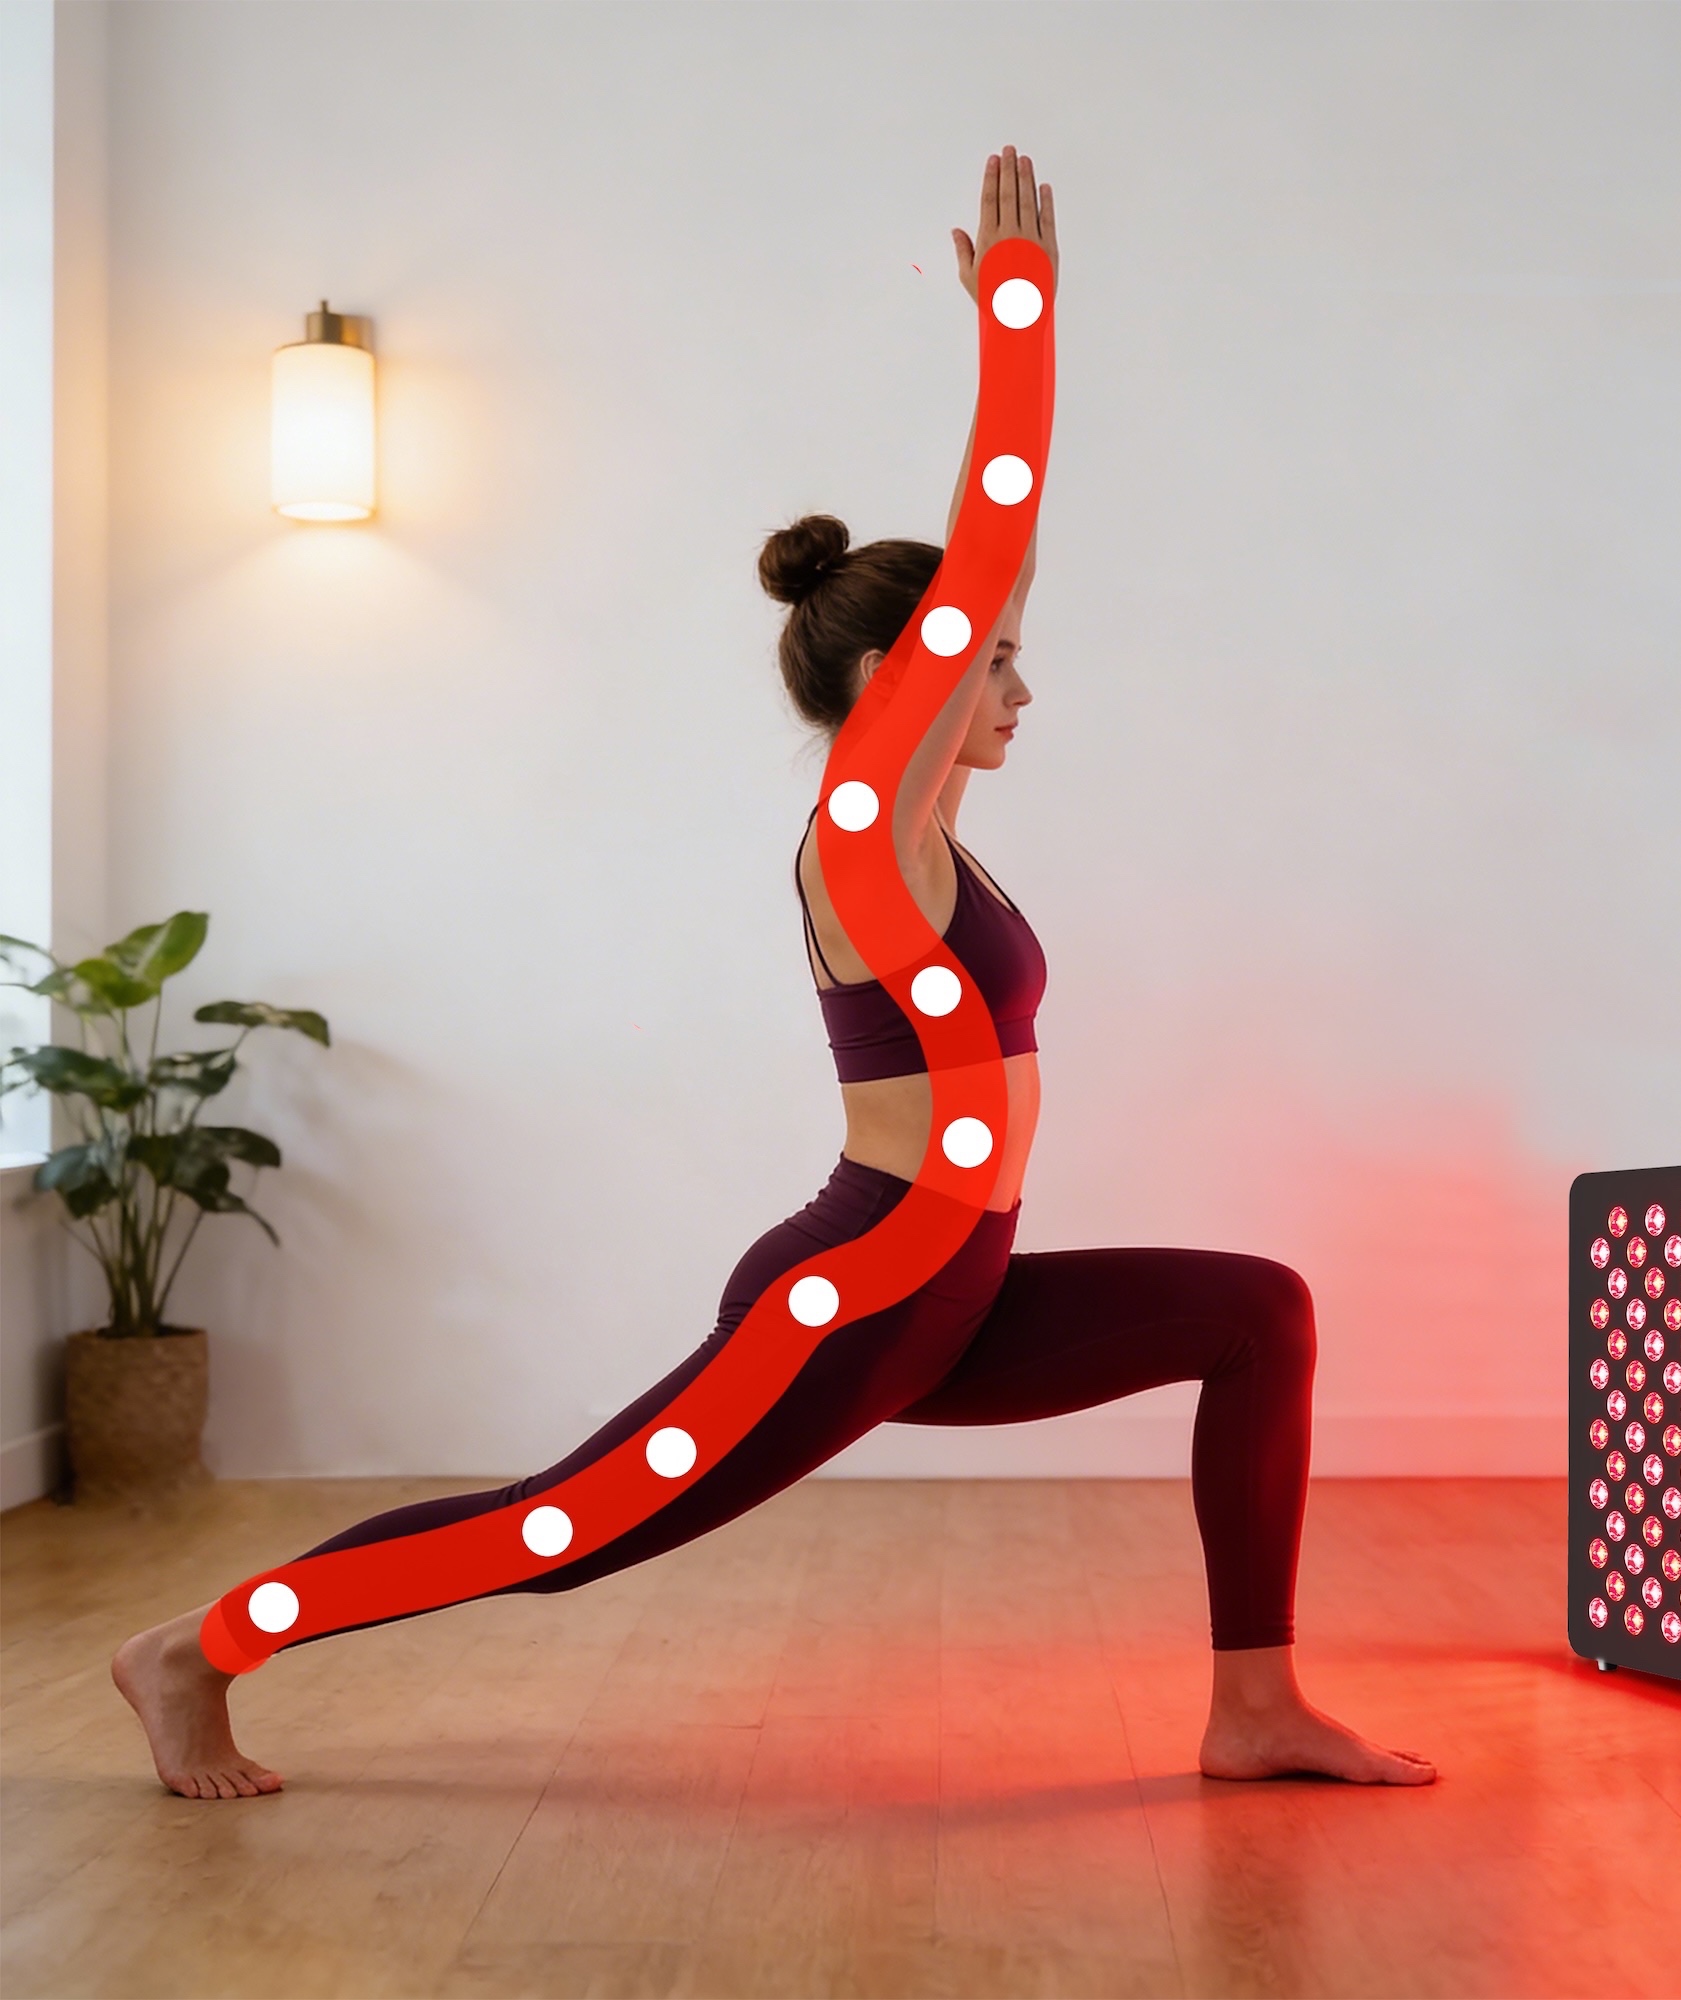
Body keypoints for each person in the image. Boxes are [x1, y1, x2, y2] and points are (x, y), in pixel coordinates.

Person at [112, 148, 1434, 1800]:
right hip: (854, 1295)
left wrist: (1024, 381)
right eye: (990, 665)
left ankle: (1255, 1707)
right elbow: (990, 546)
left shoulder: (938, 836)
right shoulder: (866, 843)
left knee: (1257, 1314)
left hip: (954, 1293)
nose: (1022, 690)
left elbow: (1004, 564)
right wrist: (1017, 326)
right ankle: (196, 1647)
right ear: (896, 680)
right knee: (562, 1533)